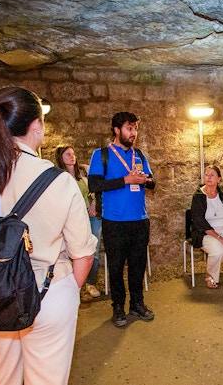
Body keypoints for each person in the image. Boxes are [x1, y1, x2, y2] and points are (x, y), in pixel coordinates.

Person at [0, 87, 96, 385]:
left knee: (1, 378)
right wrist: (64, 292)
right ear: (37, 125)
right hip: (45, 293)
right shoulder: (58, 182)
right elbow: (83, 254)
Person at [88, 111, 156, 328]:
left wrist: (146, 180)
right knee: (116, 267)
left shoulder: (140, 155)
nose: (133, 132)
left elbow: (152, 181)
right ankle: (118, 306)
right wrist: (126, 180)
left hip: (139, 220)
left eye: (135, 128)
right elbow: (94, 185)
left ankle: (137, 303)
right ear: (117, 130)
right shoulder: (102, 155)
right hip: (114, 222)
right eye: (129, 128)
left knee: (138, 265)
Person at [56, 144, 103, 299]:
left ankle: (91, 283)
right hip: (73, 220)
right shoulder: (59, 177)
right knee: (74, 252)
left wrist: (94, 205)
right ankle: (75, 286)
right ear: (61, 158)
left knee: (93, 249)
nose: (72, 156)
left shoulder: (82, 173)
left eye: (73, 153)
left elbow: (94, 189)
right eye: (68, 154)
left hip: (91, 216)